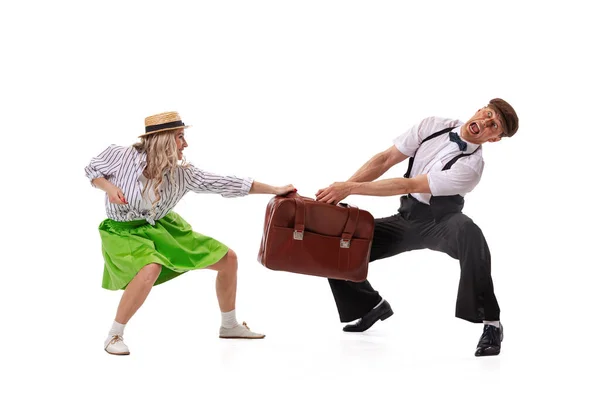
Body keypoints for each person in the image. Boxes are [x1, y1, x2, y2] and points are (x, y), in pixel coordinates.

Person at [316, 98, 519, 357]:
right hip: (406, 217)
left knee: (471, 234)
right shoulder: (433, 125)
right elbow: (385, 159)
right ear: (479, 109)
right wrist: (342, 189)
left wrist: (351, 188)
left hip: (440, 222)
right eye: (487, 114)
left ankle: (492, 324)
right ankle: (370, 306)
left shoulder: (472, 167)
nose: (486, 123)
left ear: (494, 139)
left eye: (494, 126)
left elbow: (409, 185)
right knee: (336, 247)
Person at [85, 111, 295, 356]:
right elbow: (92, 170)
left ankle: (229, 325)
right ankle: (114, 335)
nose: (185, 144)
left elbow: (224, 182)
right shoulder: (121, 156)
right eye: (180, 137)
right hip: (123, 231)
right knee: (150, 267)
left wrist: (274, 189)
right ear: (162, 139)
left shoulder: (182, 174)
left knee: (228, 259)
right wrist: (109, 187)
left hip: (161, 227)